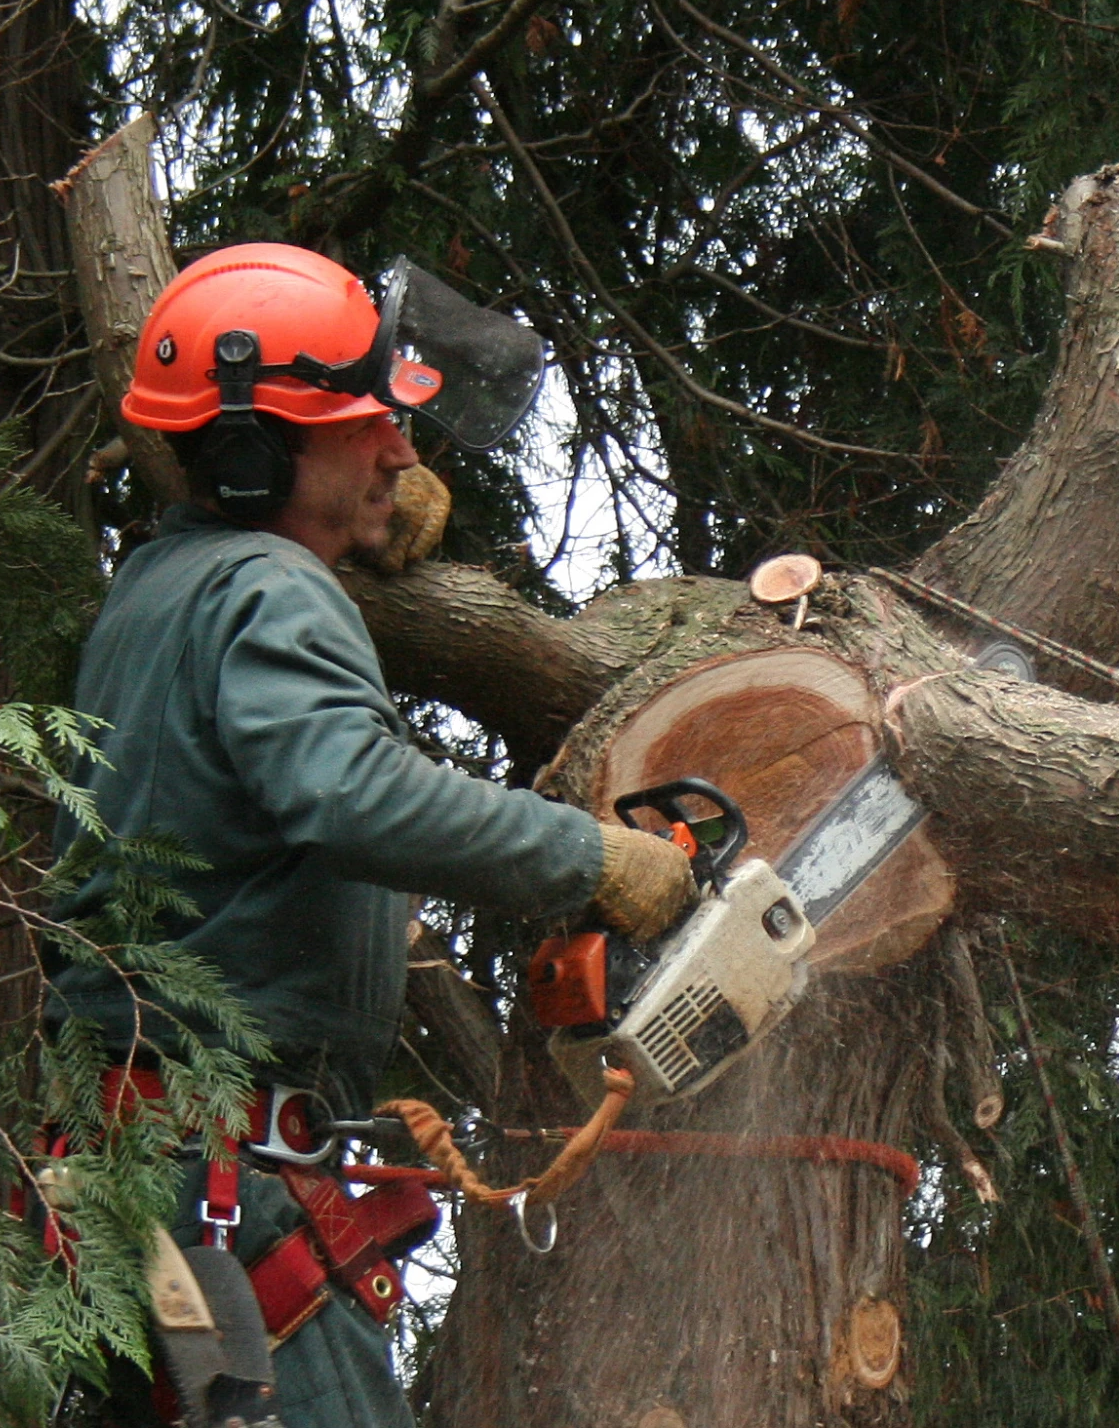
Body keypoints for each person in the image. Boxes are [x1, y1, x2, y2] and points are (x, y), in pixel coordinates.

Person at [42, 244, 693, 1428]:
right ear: (257, 455)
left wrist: (343, 528)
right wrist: (594, 854)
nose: (400, 445)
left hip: (133, 1178)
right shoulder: (270, 593)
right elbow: (352, 793)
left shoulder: (157, 590)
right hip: (221, 1190)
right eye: (361, 430)